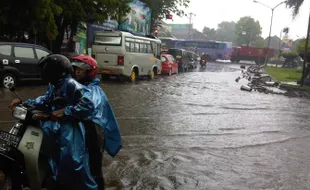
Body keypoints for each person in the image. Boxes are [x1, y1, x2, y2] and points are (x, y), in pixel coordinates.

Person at [9, 54, 98, 190]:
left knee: (72, 162)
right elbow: (45, 100)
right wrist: (25, 103)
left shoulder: (71, 84)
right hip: (53, 124)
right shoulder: (54, 85)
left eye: (46, 70)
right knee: (51, 157)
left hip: (70, 129)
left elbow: (89, 105)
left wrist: (66, 111)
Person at [70, 54, 122, 189]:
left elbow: (86, 108)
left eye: (80, 69)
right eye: (75, 69)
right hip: (78, 131)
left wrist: (66, 111)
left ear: (89, 71)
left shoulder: (94, 91)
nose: (77, 72)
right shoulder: (72, 87)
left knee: (94, 167)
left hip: (93, 131)